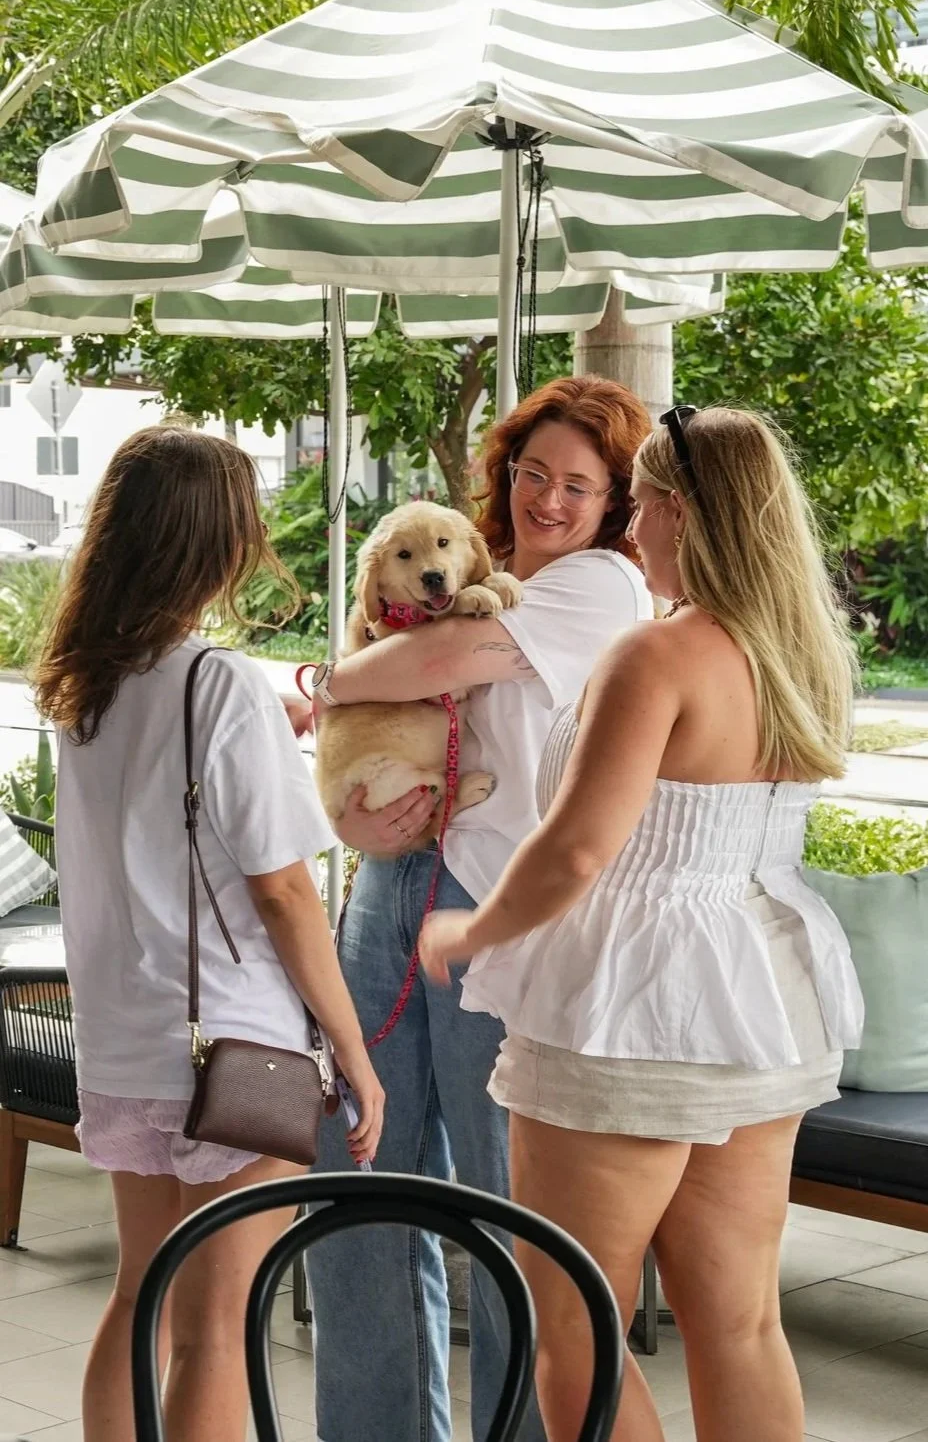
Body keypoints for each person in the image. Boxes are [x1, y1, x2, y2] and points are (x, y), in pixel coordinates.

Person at [421, 405, 865, 1442]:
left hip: (631, 1001)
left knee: (572, 1321)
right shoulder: (802, 657)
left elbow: (579, 849)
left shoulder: (655, 656)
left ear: (674, 510)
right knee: (742, 1319)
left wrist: (471, 930)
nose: (630, 531)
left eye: (639, 508)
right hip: (764, 987)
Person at [296, 376, 653, 1442]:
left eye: (579, 484)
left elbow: (435, 660)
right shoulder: (469, 567)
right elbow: (388, 675)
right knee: (357, 1169)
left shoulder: (601, 586)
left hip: (497, 910)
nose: (548, 498)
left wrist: (328, 681)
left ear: (616, 502)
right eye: (532, 473)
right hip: (393, 889)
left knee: (509, 1206)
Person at [34, 425, 383, 1442]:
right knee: (218, 1326)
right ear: (217, 544)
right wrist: (355, 1053)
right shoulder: (218, 683)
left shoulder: (83, 685)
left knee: (142, 1296)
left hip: (126, 1039)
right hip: (236, 1047)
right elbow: (285, 890)